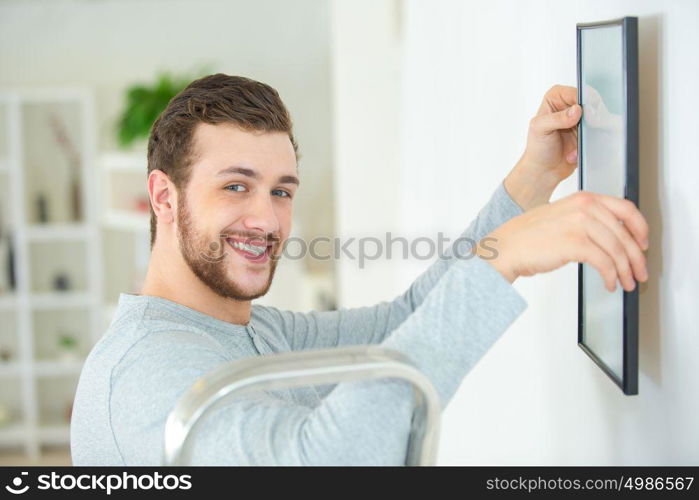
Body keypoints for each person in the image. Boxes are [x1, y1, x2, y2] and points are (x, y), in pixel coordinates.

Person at [70, 74, 648, 465]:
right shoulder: (145, 375)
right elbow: (320, 462)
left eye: (281, 191)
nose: (266, 219)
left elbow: (403, 324)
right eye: (236, 186)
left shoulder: (253, 330)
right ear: (164, 198)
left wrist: (529, 185)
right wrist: (508, 259)